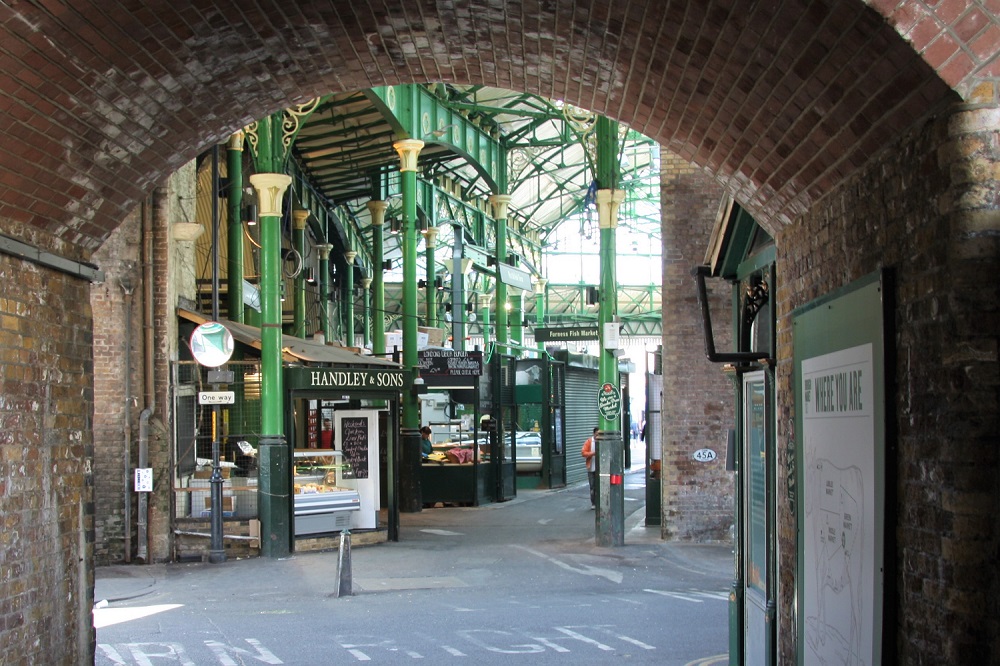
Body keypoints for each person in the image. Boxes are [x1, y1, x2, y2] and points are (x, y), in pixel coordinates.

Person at [581, 427, 598, 509]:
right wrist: (593, 453)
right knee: (592, 486)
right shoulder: (589, 442)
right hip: (591, 468)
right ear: (593, 434)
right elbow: (583, 453)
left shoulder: (601, 441)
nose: (598, 436)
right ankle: (593, 503)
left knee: (598, 486)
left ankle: (598, 502)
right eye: (597, 434)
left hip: (599, 468)